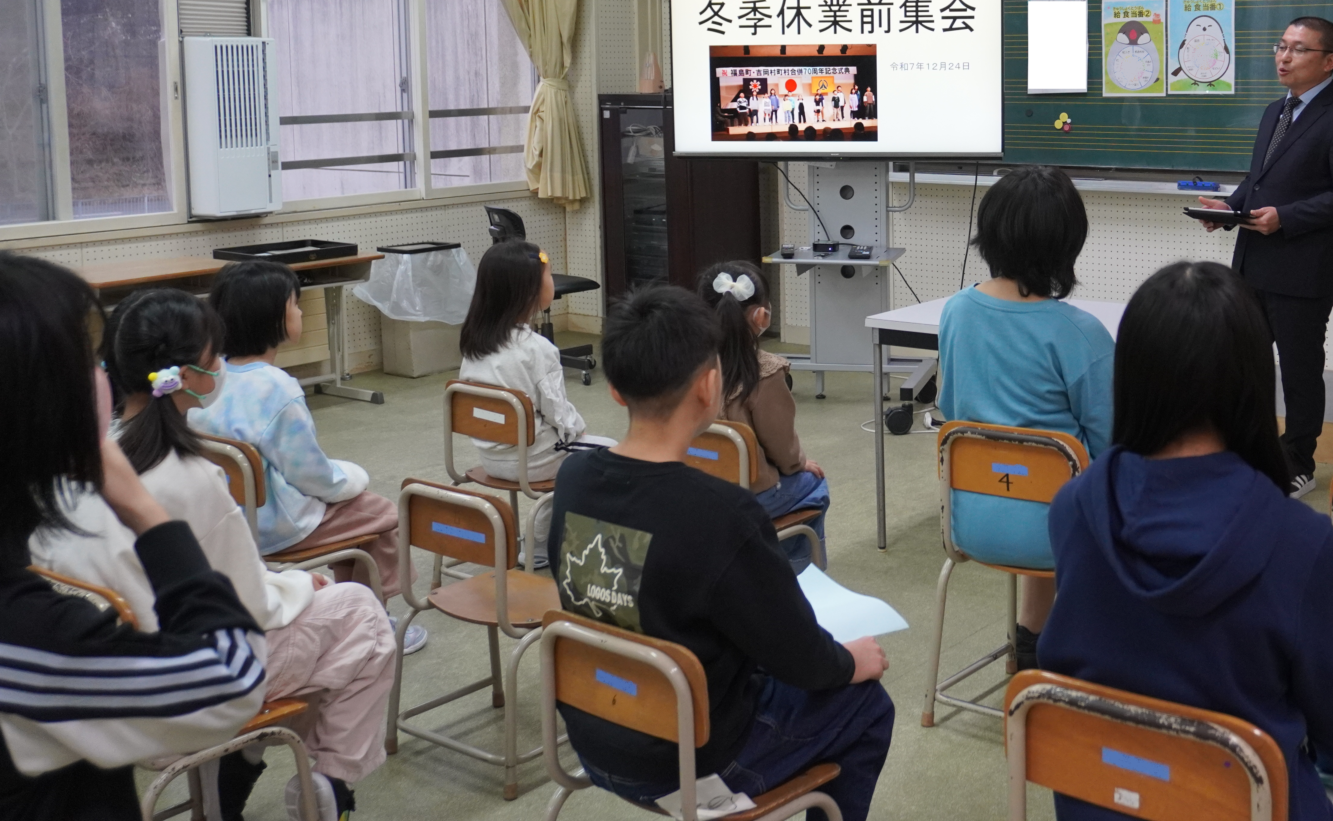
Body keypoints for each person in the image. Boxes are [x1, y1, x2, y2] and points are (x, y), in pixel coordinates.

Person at [1039, 261, 1333, 821]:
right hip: (1245, 803)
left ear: (1130, 374)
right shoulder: (1303, 544)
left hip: (1100, 796)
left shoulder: (1073, 507)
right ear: (1253, 380)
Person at [36, 288, 395, 821]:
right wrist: (301, 585)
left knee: (328, 633)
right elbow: (248, 610)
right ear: (194, 375)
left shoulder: (84, 462)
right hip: (184, 695)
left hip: (101, 688)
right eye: (215, 357)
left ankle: (242, 763)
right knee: (362, 618)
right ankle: (328, 785)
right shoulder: (189, 478)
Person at [550, 286, 893, 821]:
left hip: (595, 736)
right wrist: (851, 661)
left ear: (615, 390)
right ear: (710, 386)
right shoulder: (721, 513)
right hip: (692, 760)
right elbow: (799, 657)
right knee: (866, 705)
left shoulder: (572, 479)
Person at [0, 252, 266, 821]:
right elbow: (232, 681)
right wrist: (149, 514)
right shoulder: (25, 636)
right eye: (76, 363)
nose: (96, 379)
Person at [195, 259, 423, 655]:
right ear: (275, 320)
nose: (300, 312)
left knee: (357, 514)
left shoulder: (209, 380)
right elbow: (315, 478)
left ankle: (347, 605)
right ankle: (371, 621)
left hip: (229, 517)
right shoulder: (277, 389)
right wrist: (354, 476)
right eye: (296, 305)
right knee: (381, 513)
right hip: (279, 526)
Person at [936, 164, 1113, 668]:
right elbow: (1113, 444)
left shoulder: (956, 311)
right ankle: (1087, 655)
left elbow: (952, 409)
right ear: (1066, 243)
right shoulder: (1078, 333)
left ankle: (1032, 642)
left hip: (970, 519)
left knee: (1043, 474)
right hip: (1059, 530)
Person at [1194, 15, 1333, 498]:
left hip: (1302, 270)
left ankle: (1298, 460)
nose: (1284, 57)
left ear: (1329, 61)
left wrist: (1287, 218)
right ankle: (1248, 448)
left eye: (1298, 49)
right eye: (1281, 46)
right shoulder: (1275, 110)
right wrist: (1230, 208)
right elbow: (1259, 182)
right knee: (1243, 365)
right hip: (1252, 262)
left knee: (1299, 371)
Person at [459, 240, 608, 564]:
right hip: (532, 460)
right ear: (529, 291)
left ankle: (540, 539)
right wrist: (578, 432)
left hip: (491, 454)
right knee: (605, 455)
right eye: (549, 274)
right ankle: (541, 544)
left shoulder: (474, 342)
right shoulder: (537, 348)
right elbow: (559, 414)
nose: (553, 280)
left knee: (577, 454)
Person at [698, 261, 829, 570]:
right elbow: (783, 449)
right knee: (814, 485)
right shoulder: (765, 373)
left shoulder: (686, 365)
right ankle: (800, 577)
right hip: (748, 495)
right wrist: (798, 464)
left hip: (696, 489)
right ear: (762, 315)